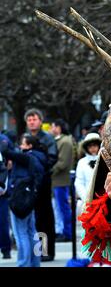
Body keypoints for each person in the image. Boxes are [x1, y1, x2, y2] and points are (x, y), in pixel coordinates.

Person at [2, 134, 47, 267]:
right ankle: (34, 263)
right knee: (31, 232)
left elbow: (6, 151)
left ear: (29, 146)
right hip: (29, 199)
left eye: (22, 144)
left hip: (21, 200)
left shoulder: (27, 157)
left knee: (21, 234)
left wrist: (4, 143)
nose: (20, 147)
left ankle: (23, 264)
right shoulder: (38, 157)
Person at [24, 108, 58, 261]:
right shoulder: (24, 138)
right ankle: (37, 252)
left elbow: (52, 159)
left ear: (40, 121)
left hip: (43, 182)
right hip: (29, 183)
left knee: (45, 217)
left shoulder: (48, 138)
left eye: (34, 119)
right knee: (34, 219)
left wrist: (40, 170)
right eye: (29, 119)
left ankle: (47, 251)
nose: (32, 122)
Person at [50, 119, 74, 242]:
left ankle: (68, 232)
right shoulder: (60, 140)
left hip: (61, 180)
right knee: (58, 208)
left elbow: (62, 163)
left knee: (63, 207)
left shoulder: (65, 141)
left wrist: (50, 171)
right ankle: (61, 231)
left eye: (52, 126)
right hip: (57, 180)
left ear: (58, 127)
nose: (50, 129)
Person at [75, 133, 101, 211]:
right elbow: (79, 182)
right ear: (86, 148)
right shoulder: (82, 162)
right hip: (87, 201)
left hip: (102, 200)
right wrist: (87, 199)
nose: (92, 148)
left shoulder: (105, 160)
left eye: (95, 145)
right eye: (90, 146)